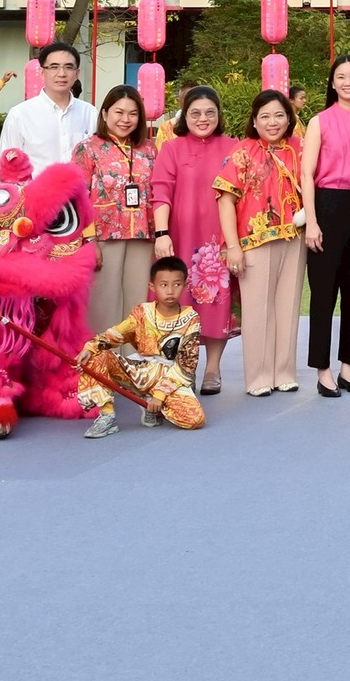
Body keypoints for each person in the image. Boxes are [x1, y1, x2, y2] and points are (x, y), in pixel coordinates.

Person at [217, 90, 305, 398]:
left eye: (279, 115)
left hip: (294, 237)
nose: (273, 122)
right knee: (257, 310)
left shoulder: (299, 148)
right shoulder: (242, 152)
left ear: (289, 117)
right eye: (265, 116)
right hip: (254, 240)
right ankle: (258, 376)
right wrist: (232, 246)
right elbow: (226, 200)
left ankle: (285, 372)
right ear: (254, 120)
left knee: (288, 305)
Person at [150, 84, 237, 395]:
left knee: (216, 303)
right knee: (178, 301)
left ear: (219, 115)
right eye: (195, 113)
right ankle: (184, 367)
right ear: (184, 116)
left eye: (209, 113)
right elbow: (160, 192)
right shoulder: (171, 148)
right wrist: (162, 234)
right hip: (180, 238)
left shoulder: (234, 147)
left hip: (218, 241)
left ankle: (212, 368)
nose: (203, 118)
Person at [300, 53, 350, 400]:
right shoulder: (320, 121)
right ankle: (323, 368)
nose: (347, 82)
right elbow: (306, 174)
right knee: (324, 292)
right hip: (327, 206)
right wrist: (312, 222)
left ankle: (348, 365)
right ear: (332, 83)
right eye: (341, 77)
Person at [76, 254, 207, 437]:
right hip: (140, 371)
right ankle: (107, 415)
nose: (170, 291)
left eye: (176, 284)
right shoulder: (141, 313)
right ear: (152, 286)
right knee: (96, 356)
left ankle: (152, 404)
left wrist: (160, 394)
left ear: (185, 286)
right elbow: (115, 334)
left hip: (171, 376)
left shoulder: (191, 319)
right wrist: (90, 347)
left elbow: (187, 366)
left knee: (194, 419)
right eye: (164, 285)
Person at [74, 86, 158, 335]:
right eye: (119, 112)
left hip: (143, 234)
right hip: (103, 233)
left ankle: (130, 364)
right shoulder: (87, 148)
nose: (125, 119)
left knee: (136, 302)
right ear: (105, 113)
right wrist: (89, 239)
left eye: (133, 114)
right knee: (103, 302)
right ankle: (101, 365)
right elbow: (77, 195)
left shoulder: (149, 149)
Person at [0, 43, 95, 175]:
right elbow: (7, 167)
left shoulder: (89, 113)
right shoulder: (20, 115)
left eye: (68, 67)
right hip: (35, 194)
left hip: (80, 194)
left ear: (77, 73)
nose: (61, 73)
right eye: (54, 67)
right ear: (42, 72)